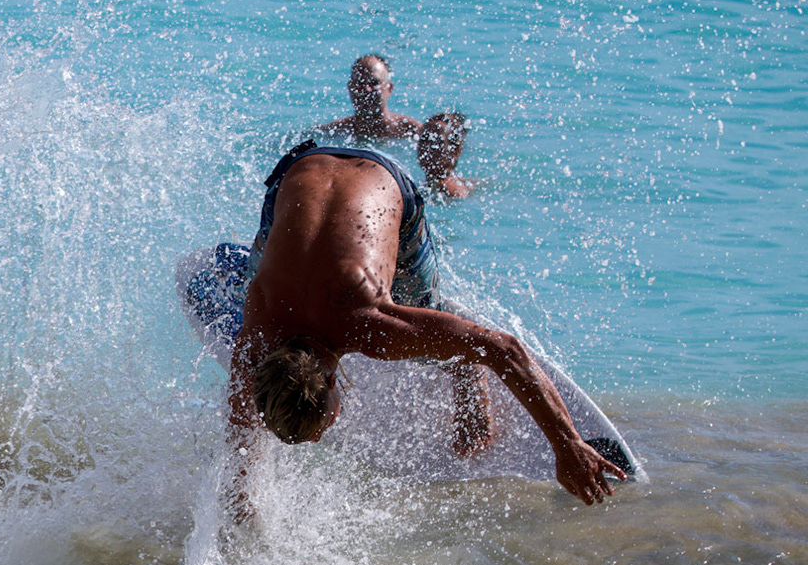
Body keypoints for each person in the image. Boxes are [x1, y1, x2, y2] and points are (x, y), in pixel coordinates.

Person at [225, 140, 625, 509]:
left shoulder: (371, 329)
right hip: (301, 165)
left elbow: (502, 348)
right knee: (262, 277)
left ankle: (463, 373)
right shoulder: (258, 325)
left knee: (421, 306)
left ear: (332, 383)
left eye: (321, 428)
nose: (321, 436)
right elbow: (240, 407)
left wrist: (567, 444)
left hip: (386, 177)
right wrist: (238, 493)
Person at [318, 55, 421, 142]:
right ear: (350, 88)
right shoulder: (332, 132)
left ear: (389, 88)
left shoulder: (412, 132)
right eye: (359, 83)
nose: (367, 89)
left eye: (374, 82)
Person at [416, 112, 477, 199]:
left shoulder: (452, 194)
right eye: (424, 139)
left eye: (437, 142)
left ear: (455, 150)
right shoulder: (429, 187)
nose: (427, 147)